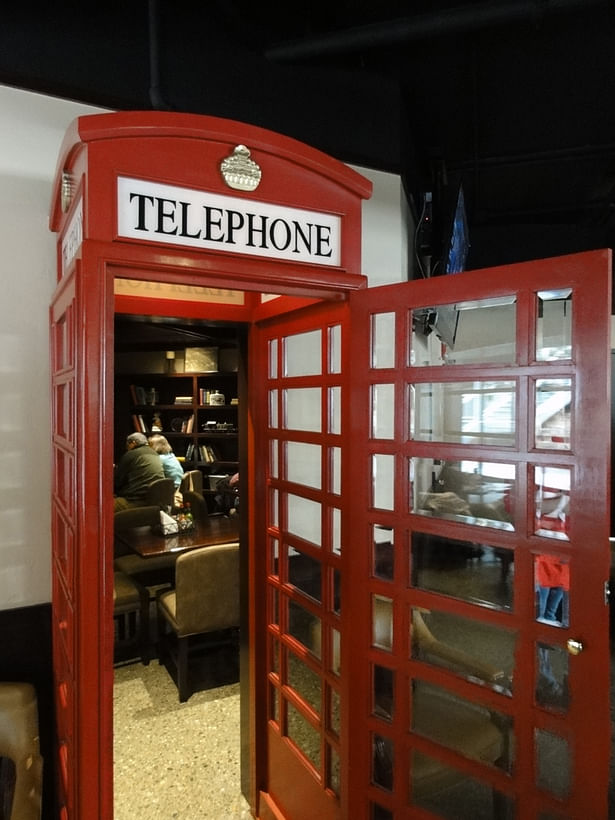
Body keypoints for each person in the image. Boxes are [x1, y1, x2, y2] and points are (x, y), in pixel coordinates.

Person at [114, 432, 165, 512]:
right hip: (154, 500)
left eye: (127, 445)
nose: (127, 448)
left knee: (104, 505)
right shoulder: (155, 453)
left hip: (135, 501)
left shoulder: (131, 454)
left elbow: (117, 481)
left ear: (133, 443)